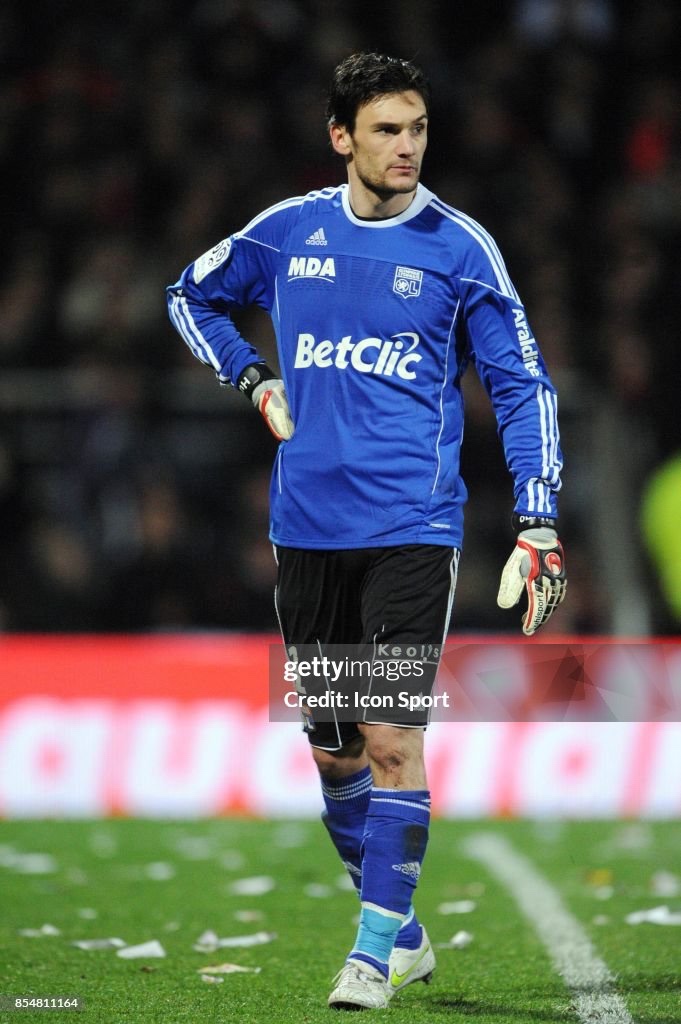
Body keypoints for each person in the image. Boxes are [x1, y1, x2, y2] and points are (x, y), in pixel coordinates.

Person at [167, 51, 566, 1010]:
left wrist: (538, 518)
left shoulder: (460, 248)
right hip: (305, 528)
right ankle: (406, 932)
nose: (406, 146)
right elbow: (188, 295)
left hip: (410, 528)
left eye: (417, 128)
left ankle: (370, 953)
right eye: (387, 129)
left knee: (391, 742)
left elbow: (521, 383)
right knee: (335, 755)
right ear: (341, 136)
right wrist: (252, 379)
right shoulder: (286, 232)